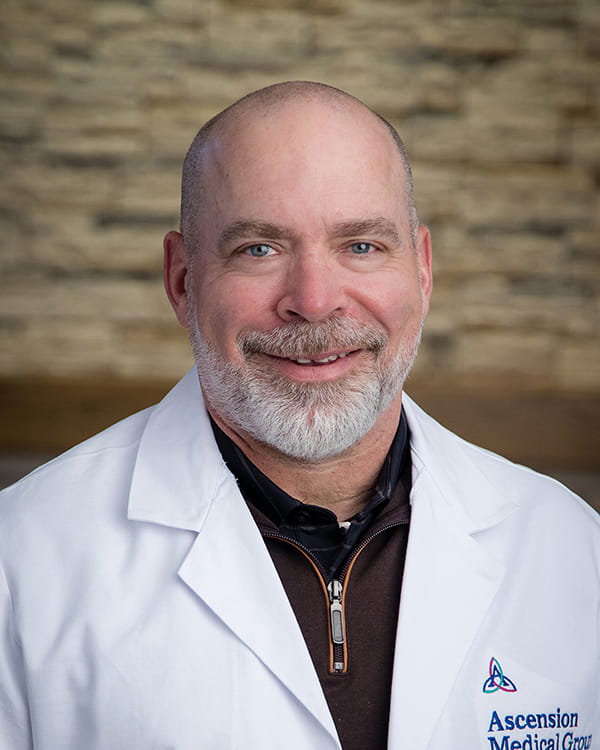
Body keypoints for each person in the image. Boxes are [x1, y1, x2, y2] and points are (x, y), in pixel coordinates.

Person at [0, 82, 598, 750]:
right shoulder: (22, 560)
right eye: (259, 248)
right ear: (182, 280)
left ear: (423, 271)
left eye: (361, 246)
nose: (313, 301)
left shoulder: (570, 549)